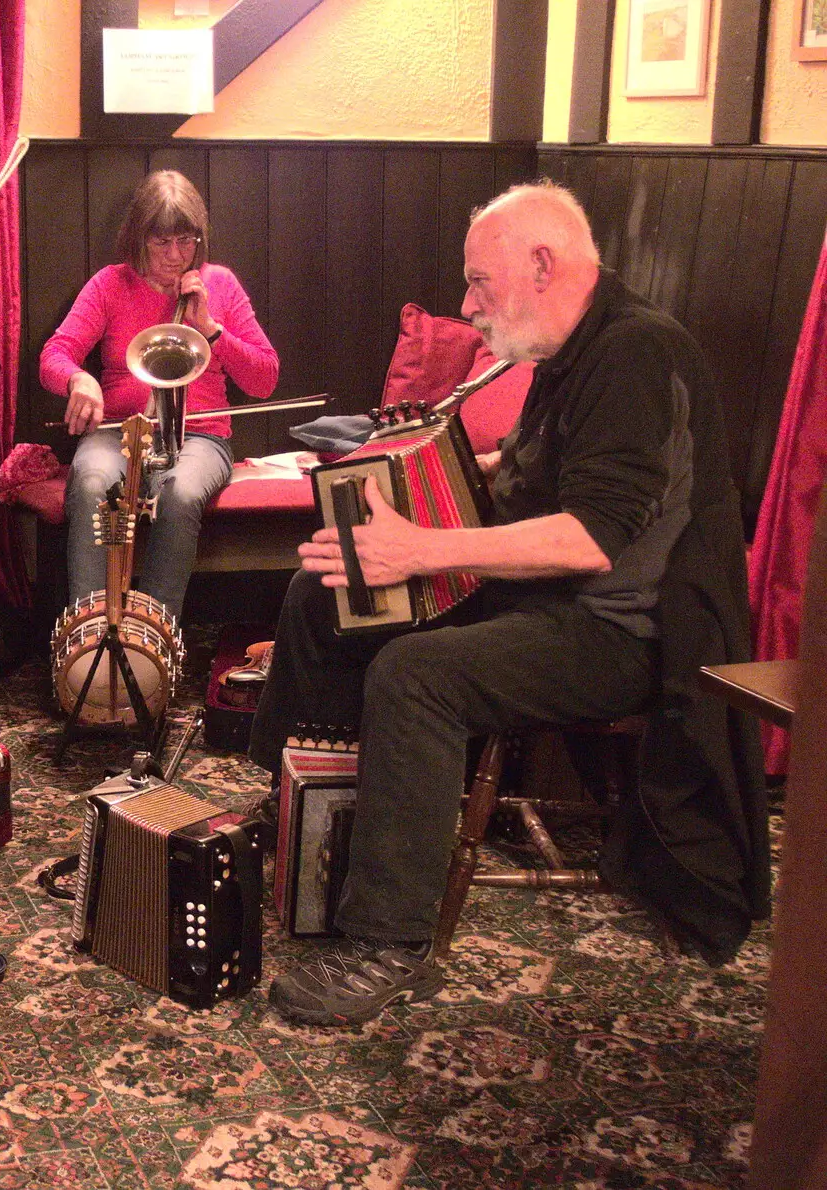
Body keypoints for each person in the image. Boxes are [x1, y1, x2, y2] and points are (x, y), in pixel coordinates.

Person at [249, 181, 766, 1026]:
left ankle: (390, 940)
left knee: (417, 675)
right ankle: (300, 811)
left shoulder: (637, 354)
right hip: (549, 600)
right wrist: (411, 480)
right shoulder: (572, 347)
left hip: (622, 630)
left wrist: (420, 550)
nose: (467, 305)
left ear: (542, 264)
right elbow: (533, 474)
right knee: (324, 590)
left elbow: (591, 539)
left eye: (479, 283)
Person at [39, 170, 279, 626]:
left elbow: (265, 379)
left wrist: (212, 330)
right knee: (91, 482)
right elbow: (56, 353)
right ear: (138, 238)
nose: (174, 256)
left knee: (182, 493)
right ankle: (88, 642)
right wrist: (77, 380)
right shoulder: (111, 284)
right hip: (118, 431)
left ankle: (152, 641)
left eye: (186, 241)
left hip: (201, 436)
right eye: (161, 242)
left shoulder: (220, 284)